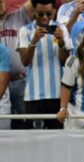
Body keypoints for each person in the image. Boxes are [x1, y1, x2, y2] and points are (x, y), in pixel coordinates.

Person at [17, 0, 73, 129]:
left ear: (54, 11)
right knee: (32, 140)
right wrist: (34, 41)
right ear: (34, 12)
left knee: (56, 139)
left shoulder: (61, 28)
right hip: (33, 95)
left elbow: (65, 61)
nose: (45, 18)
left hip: (57, 95)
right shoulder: (25, 31)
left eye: (48, 14)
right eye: (40, 14)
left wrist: (61, 43)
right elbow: (25, 61)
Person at [0, 0, 34, 129]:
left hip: (21, 80)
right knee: (4, 126)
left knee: (26, 122)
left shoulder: (19, 16)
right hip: (0, 82)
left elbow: (36, 2)